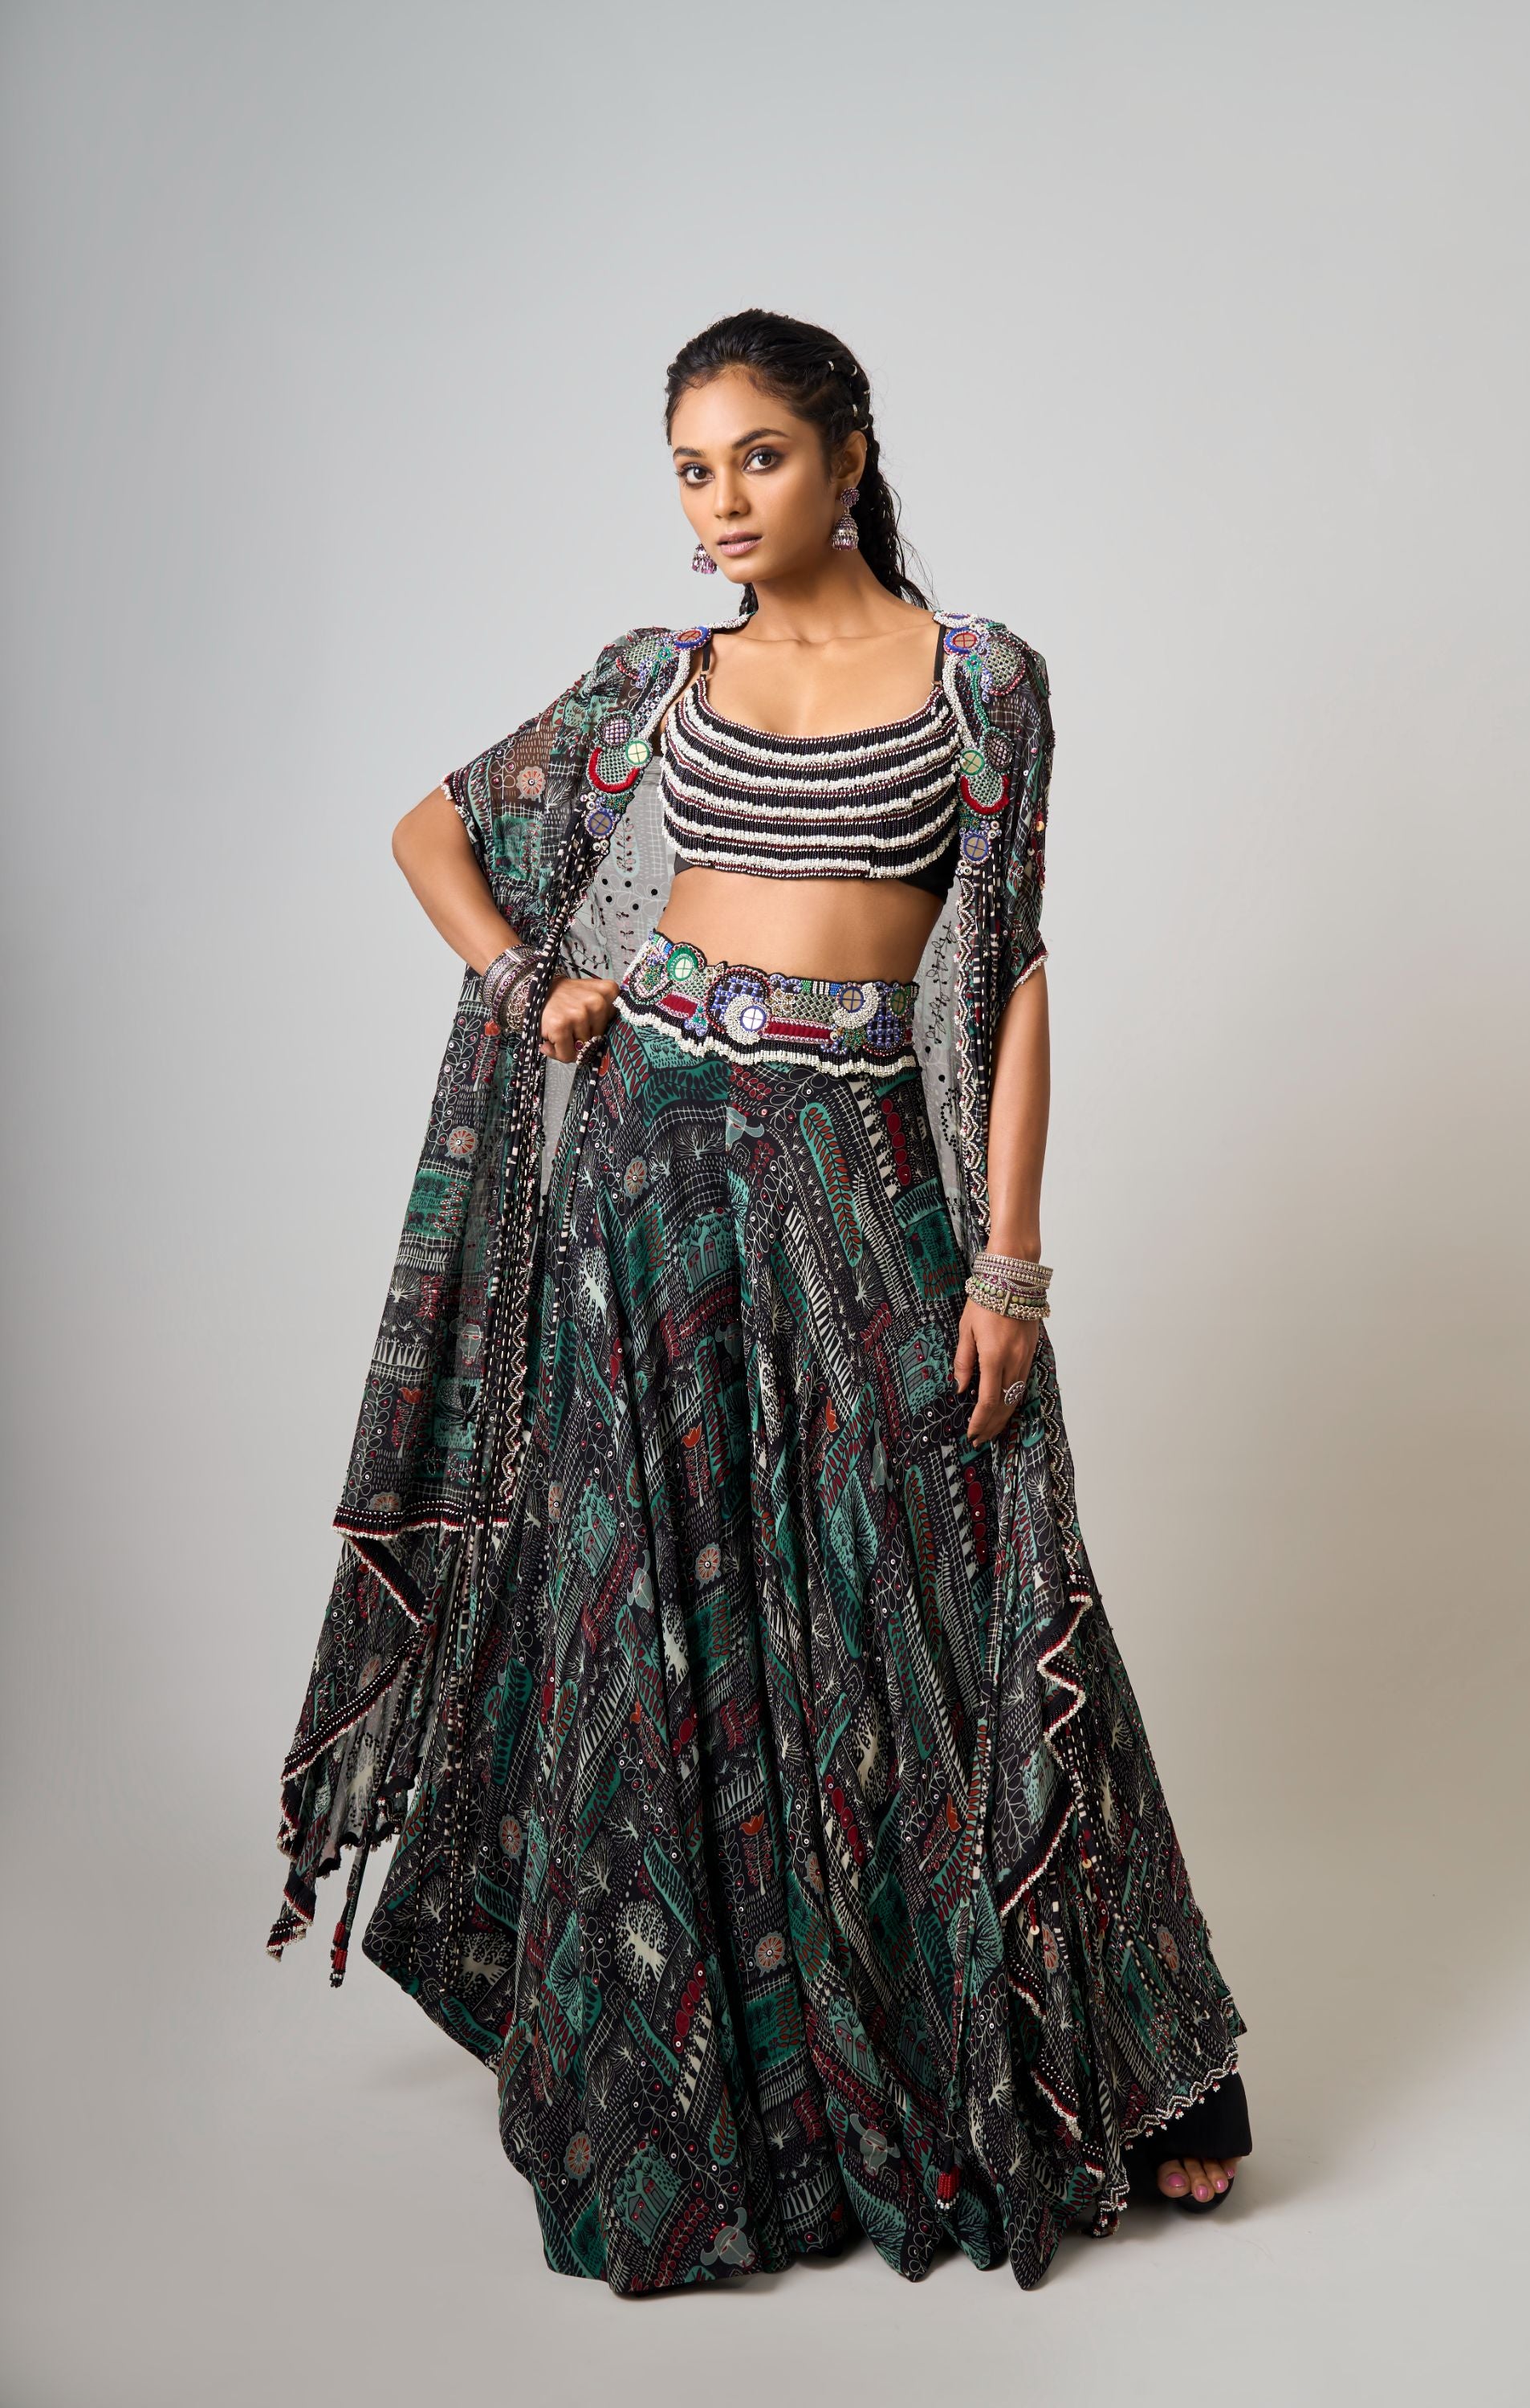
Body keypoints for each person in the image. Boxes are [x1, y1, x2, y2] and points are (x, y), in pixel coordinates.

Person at [267, 308, 1252, 2294]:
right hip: (650, 1170)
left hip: (863, 1162)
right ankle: (712, 2095)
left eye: (759, 459)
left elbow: (1012, 971)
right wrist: (532, 985)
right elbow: (432, 832)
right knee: (660, 1601)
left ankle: (1121, 2066)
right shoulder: (657, 681)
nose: (721, 503)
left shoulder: (982, 681)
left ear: (850, 452)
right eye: (691, 471)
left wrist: (1008, 1264)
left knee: (954, 1559)